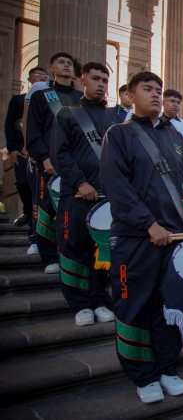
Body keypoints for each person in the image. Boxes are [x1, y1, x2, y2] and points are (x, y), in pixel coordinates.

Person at [100, 71, 183, 403]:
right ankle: (143, 375)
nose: (155, 94)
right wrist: (149, 225)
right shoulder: (118, 134)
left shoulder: (175, 136)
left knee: (169, 306)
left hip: (176, 237)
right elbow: (117, 187)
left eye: (158, 89)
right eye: (147, 89)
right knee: (134, 306)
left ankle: (168, 368)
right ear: (130, 95)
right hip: (135, 238)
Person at [51, 62, 120, 326]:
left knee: (101, 252)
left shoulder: (115, 118)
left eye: (105, 80)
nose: (101, 84)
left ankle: (100, 300)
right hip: (77, 196)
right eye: (95, 79)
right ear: (82, 81)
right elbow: (61, 154)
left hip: (107, 199)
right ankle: (79, 304)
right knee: (74, 248)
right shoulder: (68, 114)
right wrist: (80, 183)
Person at [26, 52, 83, 274]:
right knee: (47, 209)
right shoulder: (42, 96)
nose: (66, 66)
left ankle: (72, 256)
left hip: (76, 165)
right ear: (52, 68)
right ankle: (49, 257)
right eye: (61, 62)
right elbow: (33, 131)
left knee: (73, 213)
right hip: (49, 163)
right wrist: (44, 158)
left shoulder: (81, 98)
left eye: (69, 63)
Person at [4, 66, 49, 257]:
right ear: (30, 79)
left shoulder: (51, 97)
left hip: (43, 148)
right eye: (38, 75)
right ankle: (28, 213)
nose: (42, 78)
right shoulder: (18, 100)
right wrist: (13, 148)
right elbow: (10, 125)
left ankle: (35, 226)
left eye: (45, 76)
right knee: (23, 182)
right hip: (23, 149)